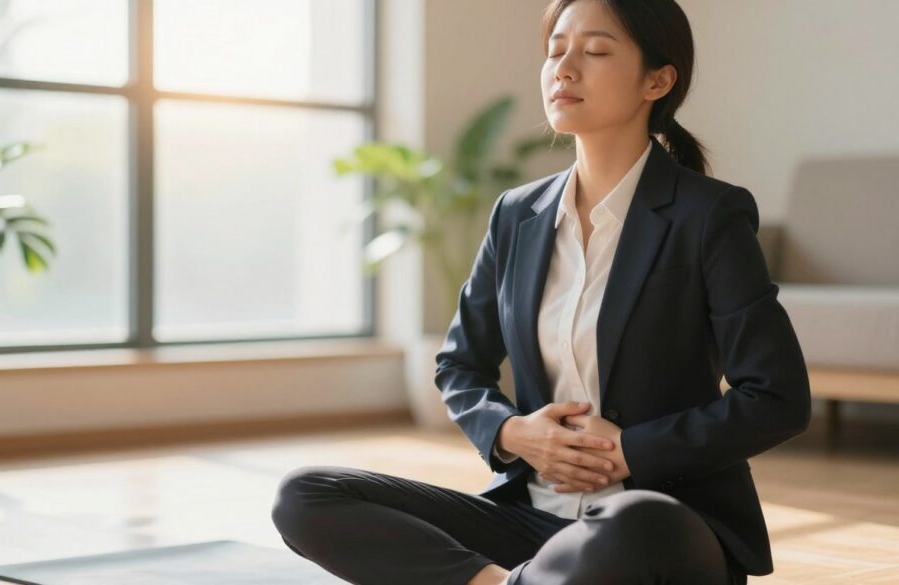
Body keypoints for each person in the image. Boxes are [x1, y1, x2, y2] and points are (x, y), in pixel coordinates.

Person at [271, 1, 811, 583]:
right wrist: (512, 432)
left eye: (596, 51)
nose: (565, 68)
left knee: (638, 522)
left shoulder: (707, 214)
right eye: (555, 51)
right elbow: (460, 365)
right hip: (534, 524)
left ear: (658, 79)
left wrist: (630, 451)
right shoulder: (516, 215)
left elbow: (776, 397)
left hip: (660, 527)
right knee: (307, 495)